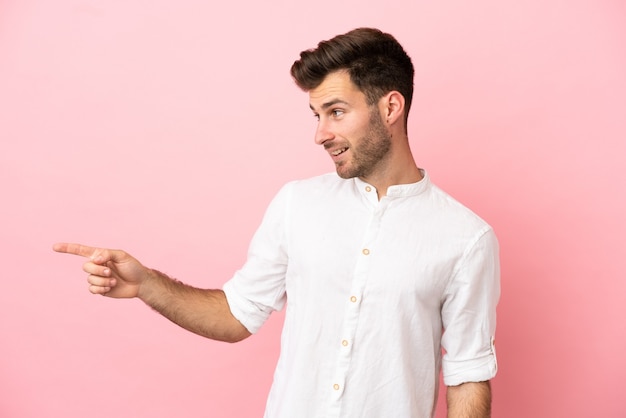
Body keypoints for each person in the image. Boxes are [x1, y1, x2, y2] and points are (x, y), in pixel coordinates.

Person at [54, 28, 500, 418]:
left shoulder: (466, 238)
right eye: (316, 115)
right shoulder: (297, 204)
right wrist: (146, 284)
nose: (320, 133)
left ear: (391, 107)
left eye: (336, 111)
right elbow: (236, 315)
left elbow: (468, 373)